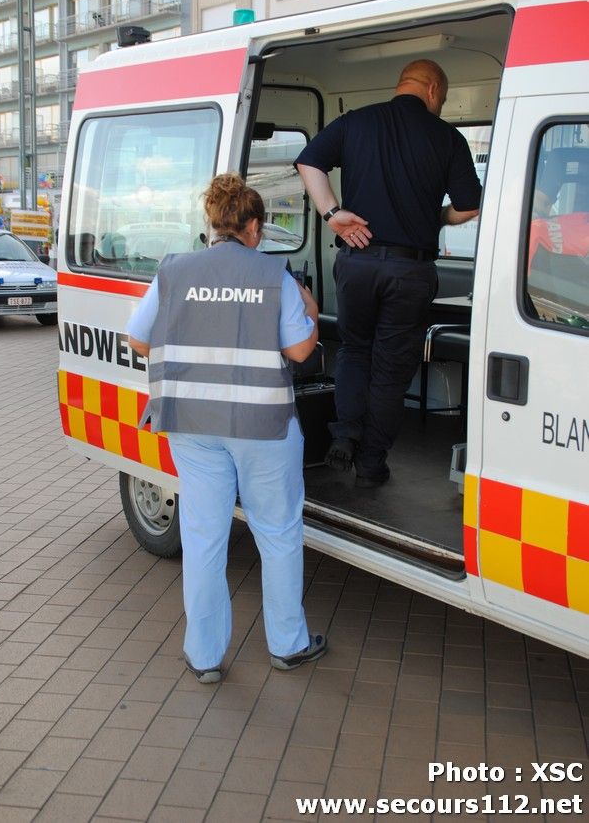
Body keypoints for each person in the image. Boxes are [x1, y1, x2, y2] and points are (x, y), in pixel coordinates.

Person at [127, 173, 327, 683]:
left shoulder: (173, 271)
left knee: (203, 537)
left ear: (212, 224)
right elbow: (301, 351)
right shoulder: (274, 277)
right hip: (263, 427)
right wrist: (310, 308)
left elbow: (140, 339)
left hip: (192, 425)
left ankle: (204, 656)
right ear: (253, 226)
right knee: (278, 534)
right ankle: (288, 645)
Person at [295, 59, 481, 487]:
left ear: (403, 84)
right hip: (409, 269)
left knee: (356, 351)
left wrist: (333, 213)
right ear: (433, 91)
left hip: (357, 261)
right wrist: (434, 217)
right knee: (391, 368)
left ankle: (345, 434)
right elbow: (469, 206)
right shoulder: (447, 137)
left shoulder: (357, 121)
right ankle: (372, 462)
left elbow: (309, 163)